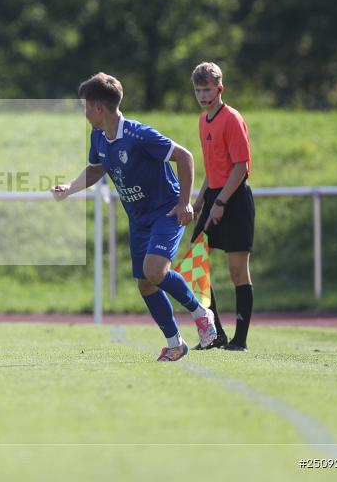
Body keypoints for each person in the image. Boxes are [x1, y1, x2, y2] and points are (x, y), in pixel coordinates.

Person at [52, 73, 217, 361]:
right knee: (145, 283)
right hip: (138, 218)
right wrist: (69, 188)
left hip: (165, 211)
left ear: (98, 108)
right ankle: (175, 343)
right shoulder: (98, 136)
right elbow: (96, 169)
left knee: (155, 271)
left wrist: (184, 204)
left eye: (85, 107)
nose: (84, 113)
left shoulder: (139, 135)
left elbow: (185, 157)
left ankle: (201, 313)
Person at [191, 62, 255, 352]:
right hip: (215, 197)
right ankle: (215, 334)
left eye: (207, 90)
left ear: (220, 89)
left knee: (237, 271)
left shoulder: (232, 118)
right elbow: (212, 168)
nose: (203, 96)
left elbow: (240, 167)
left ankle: (240, 340)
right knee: (195, 263)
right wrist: (200, 200)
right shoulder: (203, 121)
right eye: (198, 90)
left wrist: (220, 202)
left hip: (235, 199)